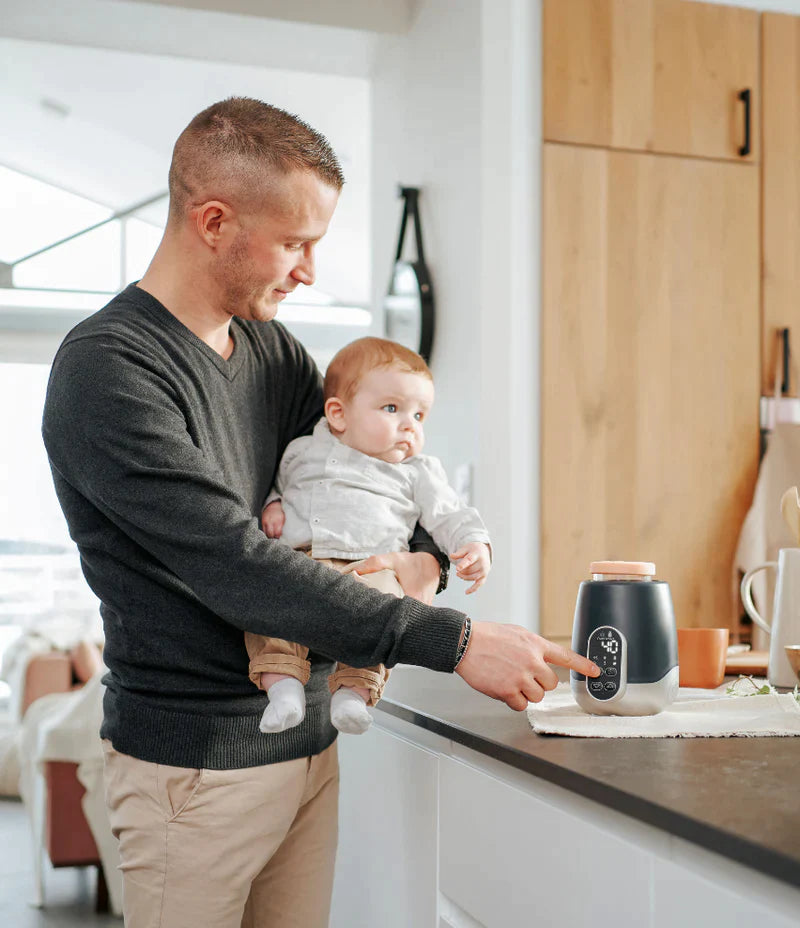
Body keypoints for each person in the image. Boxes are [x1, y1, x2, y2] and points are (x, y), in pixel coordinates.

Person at [41, 97, 600, 928]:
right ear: (216, 220)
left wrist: (428, 562)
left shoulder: (272, 351)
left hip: (307, 751)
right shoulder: (109, 372)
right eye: (297, 242)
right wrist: (456, 638)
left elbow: (379, 483)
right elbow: (234, 563)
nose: (308, 271)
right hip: (193, 775)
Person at [247, 336, 493, 736]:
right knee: (269, 606)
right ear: (339, 415)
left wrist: (474, 543)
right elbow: (280, 484)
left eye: (419, 416)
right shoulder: (301, 450)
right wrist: (273, 505)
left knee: (382, 616)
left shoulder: (418, 471)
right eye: (392, 408)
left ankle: (354, 693)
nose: (409, 426)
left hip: (371, 565)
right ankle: (283, 686)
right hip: (300, 559)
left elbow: (449, 512)